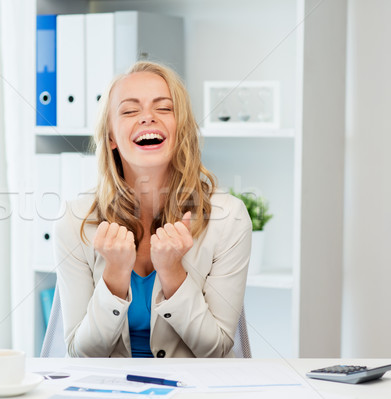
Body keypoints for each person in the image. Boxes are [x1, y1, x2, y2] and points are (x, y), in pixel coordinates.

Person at [53, 61, 252, 358]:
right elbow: (81, 353)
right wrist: (115, 277)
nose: (147, 117)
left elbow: (217, 348)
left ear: (181, 129)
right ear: (110, 138)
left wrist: (173, 273)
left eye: (164, 108)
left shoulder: (229, 218)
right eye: (130, 111)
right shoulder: (73, 222)